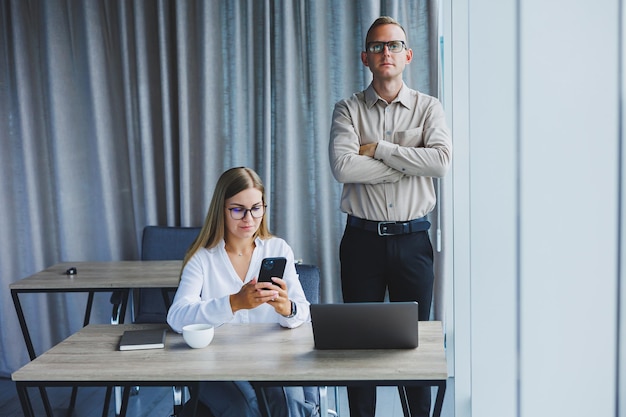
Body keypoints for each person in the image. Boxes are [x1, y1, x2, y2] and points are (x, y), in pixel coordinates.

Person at [328, 16, 452, 417]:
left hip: (414, 241)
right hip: (361, 242)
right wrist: (410, 161)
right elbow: (344, 169)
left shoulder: (428, 107)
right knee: (357, 350)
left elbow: (442, 162)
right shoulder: (347, 108)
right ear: (365, 57)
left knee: (414, 348)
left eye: (394, 45)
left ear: (408, 55)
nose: (387, 52)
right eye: (378, 46)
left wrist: (378, 148)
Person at [167, 166, 319, 417]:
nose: (249, 219)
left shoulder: (278, 248)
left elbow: (304, 311)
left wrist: (287, 308)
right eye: (238, 209)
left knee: (288, 406)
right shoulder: (202, 258)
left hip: (273, 357)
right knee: (245, 407)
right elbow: (177, 317)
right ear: (221, 210)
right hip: (217, 361)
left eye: (256, 208)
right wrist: (233, 304)